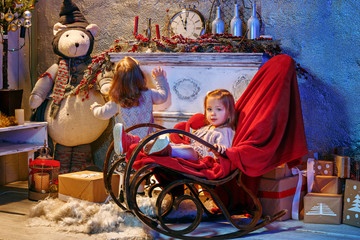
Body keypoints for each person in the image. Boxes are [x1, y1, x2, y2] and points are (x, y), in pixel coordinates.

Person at [116, 89, 236, 160]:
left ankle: (163, 150)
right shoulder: (207, 128)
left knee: (188, 149)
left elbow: (225, 152)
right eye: (209, 109)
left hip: (201, 158)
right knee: (170, 143)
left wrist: (220, 150)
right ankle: (132, 142)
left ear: (229, 113)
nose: (213, 113)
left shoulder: (225, 131)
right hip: (191, 151)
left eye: (218, 109)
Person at [90, 56, 169, 155]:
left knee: (125, 155)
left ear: (117, 80)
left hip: (127, 148)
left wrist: (95, 107)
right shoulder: (148, 94)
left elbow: (102, 114)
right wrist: (160, 78)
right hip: (147, 143)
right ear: (140, 76)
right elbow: (163, 96)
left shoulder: (117, 101)